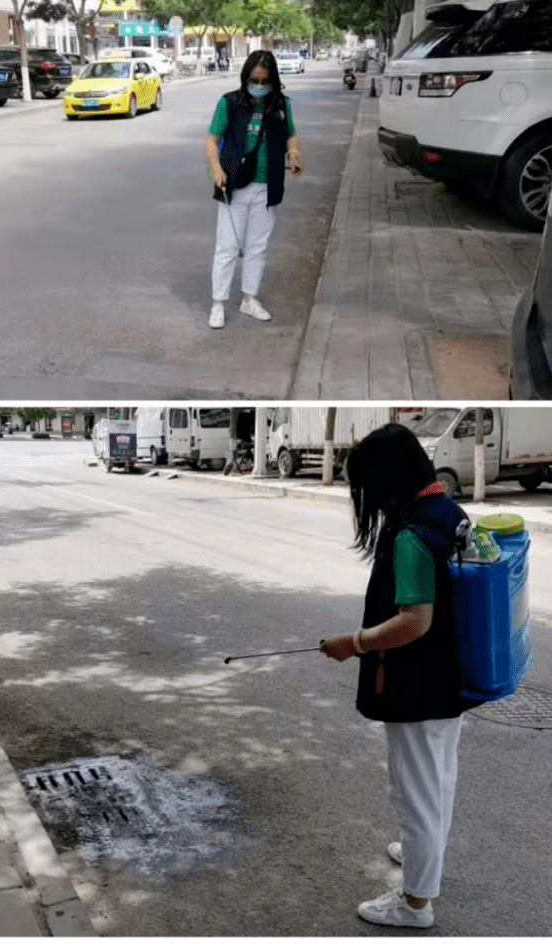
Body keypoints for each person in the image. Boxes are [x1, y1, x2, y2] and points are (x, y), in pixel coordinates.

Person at [320, 423, 475, 929]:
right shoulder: (445, 508)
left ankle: (414, 903)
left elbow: (415, 621)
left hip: (416, 685)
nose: (368, 499)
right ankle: (421, 854)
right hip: (447, 678)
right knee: (437, 782)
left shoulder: (411, 536)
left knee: (415, 793)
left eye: (369, 486)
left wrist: (354, 644)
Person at [203, 50, 302, 329]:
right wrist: (217, 169)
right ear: (245, 77)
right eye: (254, 79)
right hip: (234, 185)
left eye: (265, 80)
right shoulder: (230, 103)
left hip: (267, 186)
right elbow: (211, 140)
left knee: (258, 247)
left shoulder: (281, 105)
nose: (259, 85)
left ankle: (249, 300)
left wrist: (293, 154)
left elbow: (291, 135)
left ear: (273, 81)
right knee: (227, 247)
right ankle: (218, 303)